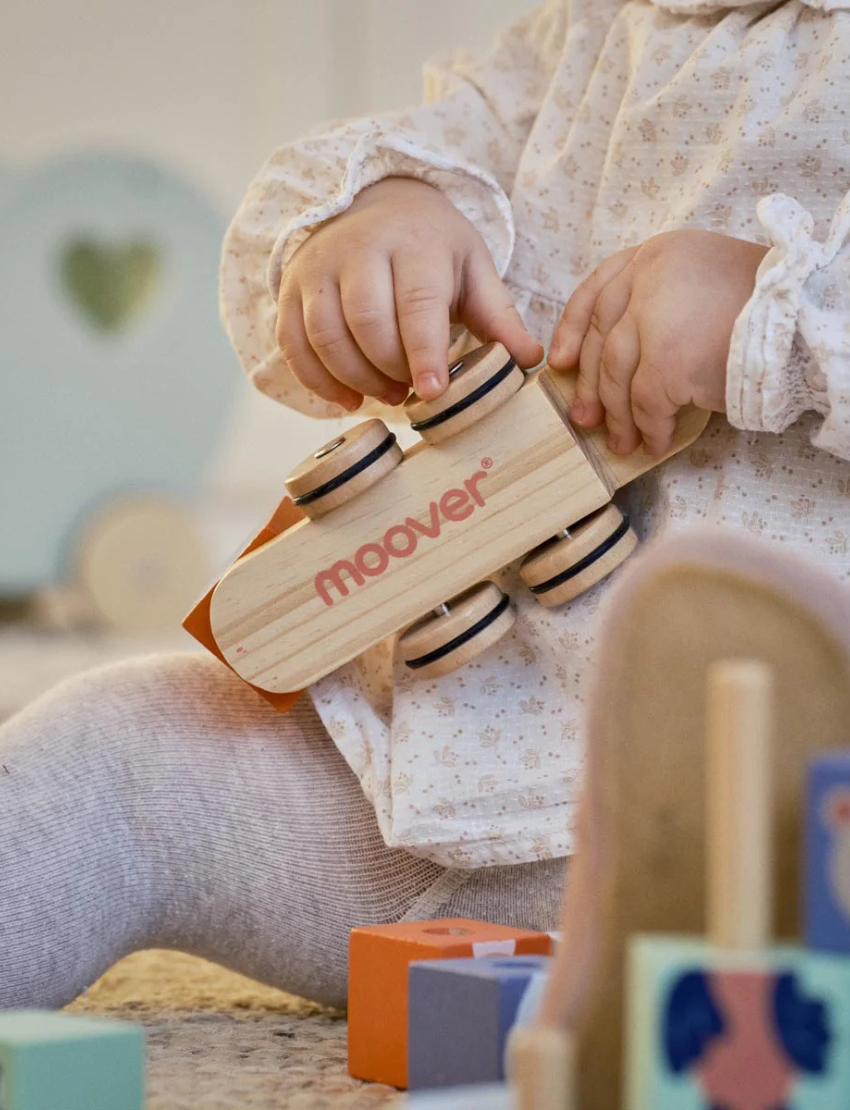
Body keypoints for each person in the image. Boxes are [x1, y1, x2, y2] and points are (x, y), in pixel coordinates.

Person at [2, 0, 848, 1010]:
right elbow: (429, 154)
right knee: (112, 747)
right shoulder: (591, 37)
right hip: (440, 782)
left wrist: (772, 308)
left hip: (783, 838)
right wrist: (381, 223)